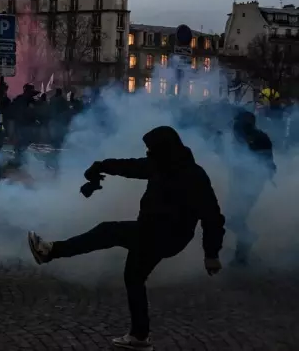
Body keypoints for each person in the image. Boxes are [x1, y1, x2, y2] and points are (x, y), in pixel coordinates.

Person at [27, 126, 225, 351]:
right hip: (151, 231)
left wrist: (211, 253)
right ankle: (139, 337)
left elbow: (213, 217)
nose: (148, 153)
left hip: (167, 236)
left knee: (107, 232)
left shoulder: (192, 176)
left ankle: (50, 251)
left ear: (165, 148)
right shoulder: (161, 164)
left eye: (152, 149)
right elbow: (130, 166)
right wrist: (102, 165)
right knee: (133, 278)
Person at [228, 110, 276, 266]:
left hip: (251, 184)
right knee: (232, 219)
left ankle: (243, 252)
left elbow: (265, 163)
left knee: (235, 218)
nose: (235, 126)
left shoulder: (259, 138)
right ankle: (242, 251)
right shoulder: (242, 137)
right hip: (241, 182)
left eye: (238, 122)